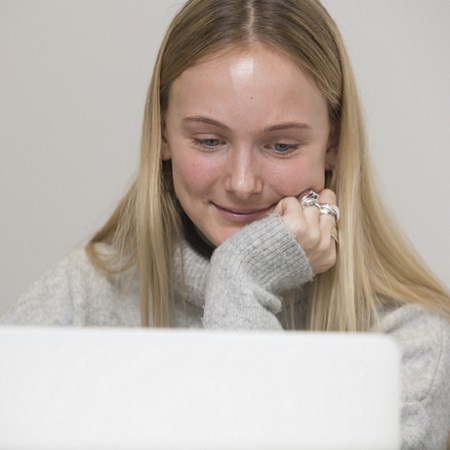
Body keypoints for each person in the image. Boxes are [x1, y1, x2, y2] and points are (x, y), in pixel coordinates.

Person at [1, 0, 449, 447]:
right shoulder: (81, 298)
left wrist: (242, 276)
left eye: (281, 146)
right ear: (162, 135)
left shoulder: (410, 343)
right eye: (210, 140)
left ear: (332, 143)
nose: (241, 183)